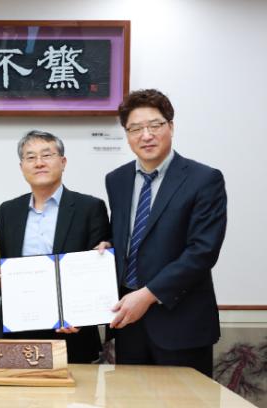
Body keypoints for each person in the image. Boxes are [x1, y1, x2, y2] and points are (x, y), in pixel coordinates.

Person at [101, 89, 227, 377]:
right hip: (129, 322)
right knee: (131, 397)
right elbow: (127, 236)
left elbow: (202, 251)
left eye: (154, 125)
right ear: (127, 134)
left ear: (171, 126)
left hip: (182, 322)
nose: (146, 135)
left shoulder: (204, 179)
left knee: (185, 399)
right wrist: (108, 244)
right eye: (135, 128)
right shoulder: (117, 180)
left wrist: (148, 295)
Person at [0, 130, 111, 363]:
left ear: (63, 162)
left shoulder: (89, 208)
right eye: (30, 157)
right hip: (18, 328)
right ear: (22, 167)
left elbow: (97, 269)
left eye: (47, 155)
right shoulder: (9, 211)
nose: (39, 163)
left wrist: (81, 316)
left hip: (71, 330)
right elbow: (2, 261)